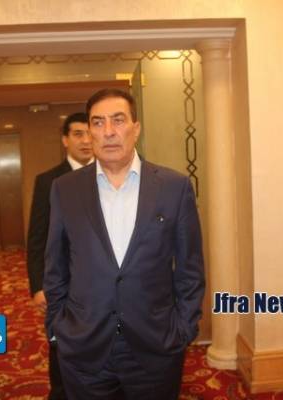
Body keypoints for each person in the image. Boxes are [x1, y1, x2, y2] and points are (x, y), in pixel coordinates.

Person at [44, 89, 205, 400]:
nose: (108, 131)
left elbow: (190, 270)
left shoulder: (174, 188)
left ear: (136, 128)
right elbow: (55, 267)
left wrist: (183, 329)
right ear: (90, 132)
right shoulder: (65, 189)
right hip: (85, 347)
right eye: (98, 122)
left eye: (118, 120)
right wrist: (58, 327)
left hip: (156, 346)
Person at [26, 112, 93, 400]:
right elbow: (37, 236)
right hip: (63, 283)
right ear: (65, 140)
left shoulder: (111, 174)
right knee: (62, 347)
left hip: (103, 282)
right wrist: (38, 285)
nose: (86, 140)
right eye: (78, 134)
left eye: (90, 133)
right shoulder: (48, 181)